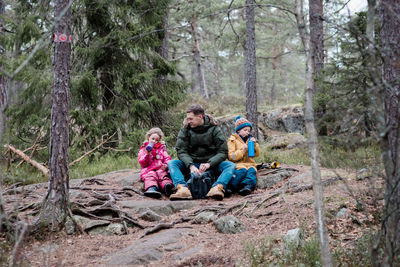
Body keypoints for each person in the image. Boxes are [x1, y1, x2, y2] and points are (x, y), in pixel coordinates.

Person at [168, 104, 235, 201]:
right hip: (192, 164)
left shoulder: (214, 129)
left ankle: (217, 188)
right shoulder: (186, 129)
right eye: (188, 119)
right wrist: (190, 165)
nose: (188, 121)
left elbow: (223, 151)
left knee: (230, 165)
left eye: (191, 119)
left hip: (211, 165)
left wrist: (209, 164)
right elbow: (181, 150)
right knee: (172, 163)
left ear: (200, 116)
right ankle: (182, 189)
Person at [227, 116, 260, 196]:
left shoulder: (250, 139)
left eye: (248, 131)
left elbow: (257, 154)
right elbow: (231, 157)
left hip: (250, 164)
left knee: (251, 171)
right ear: (238, 130)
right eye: (245, 130)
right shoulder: (232, 140)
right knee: (242, 171)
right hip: (238, 165)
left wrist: (255, 144)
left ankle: (247, 187)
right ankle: (230, 187)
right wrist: (242, 150)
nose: (247, 132)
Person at [137, 127, 174, 198]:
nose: (154, 141)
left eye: (157, 140)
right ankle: (152, 188)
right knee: (151, 176)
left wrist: (166, 165)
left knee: (163, 175)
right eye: (152, 139)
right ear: (148, 137)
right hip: (148, 169)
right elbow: (142, 162)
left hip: (160, 168)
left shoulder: (161, 149)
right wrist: (147, 154)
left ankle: (167, 187)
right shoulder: (144, 149)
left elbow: (167, 158)